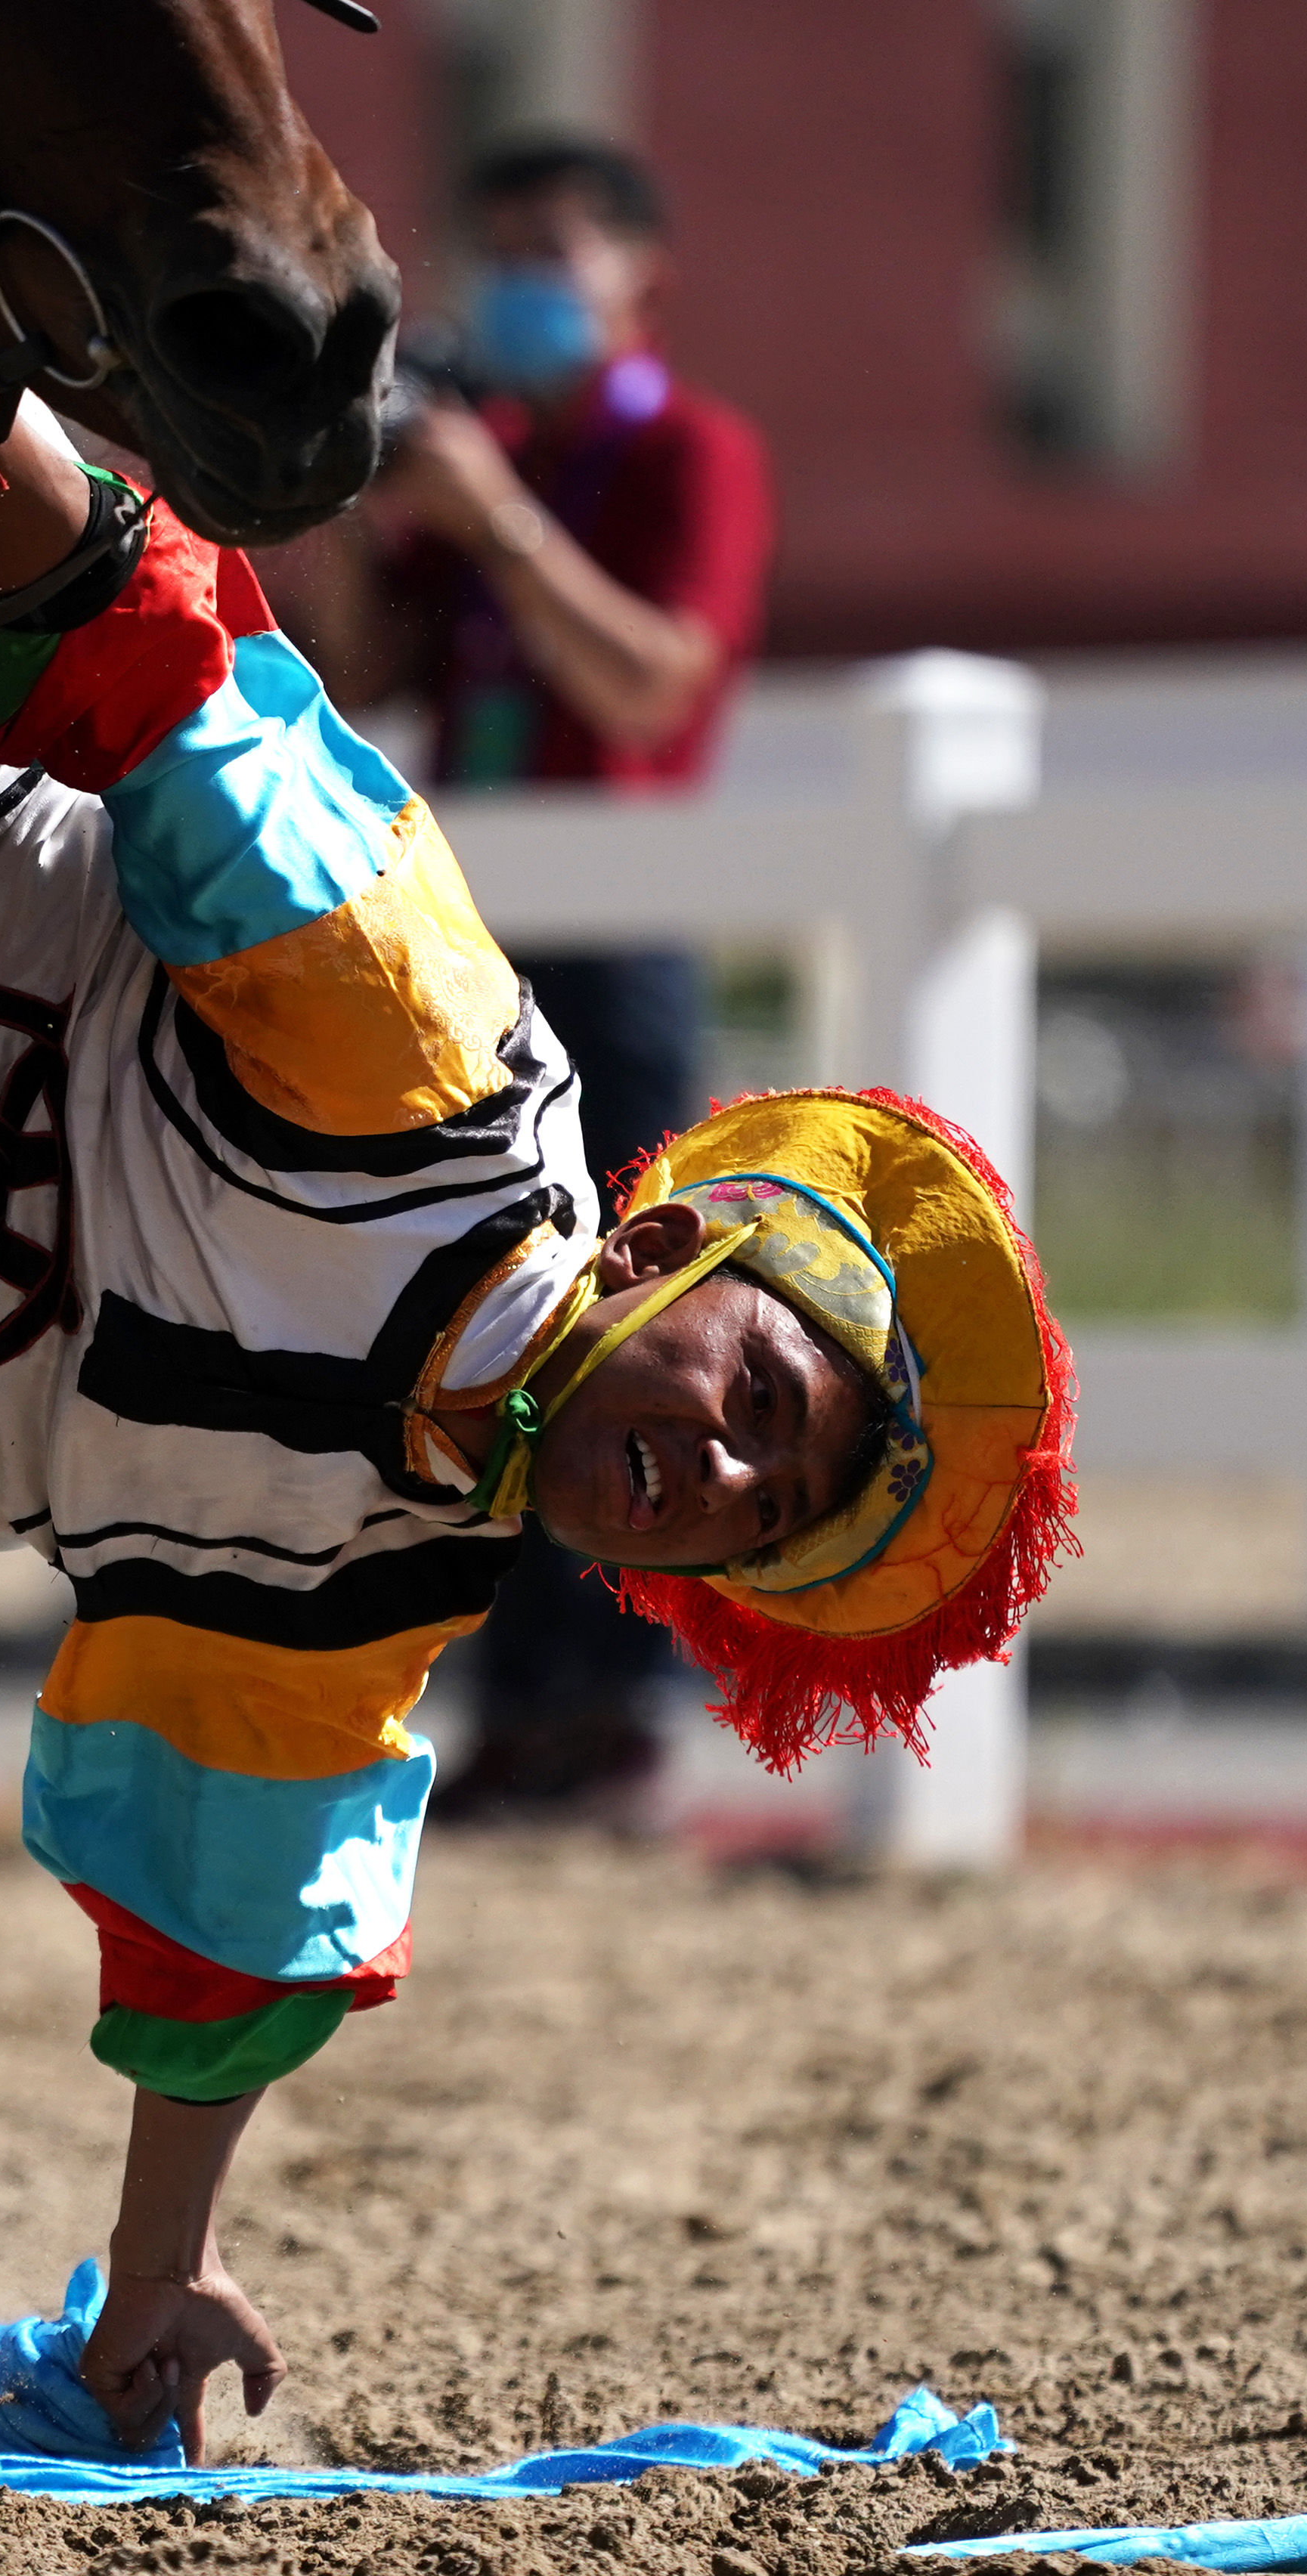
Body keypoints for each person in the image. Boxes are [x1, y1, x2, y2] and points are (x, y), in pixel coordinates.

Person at [0, 398, 1063, 2457]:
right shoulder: (414, 1057)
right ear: (687, 1241)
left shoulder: (371, 1597)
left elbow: (232, 1914)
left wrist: (158, 2275)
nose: (722, 1470)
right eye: (761, 1398)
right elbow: (164, 650)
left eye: (763, 1510)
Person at [368, 135, 779, 1834]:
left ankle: (607, 1710)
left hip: (618, 942)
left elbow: (643, 689)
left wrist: (500, 521)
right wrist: (362, 489)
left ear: (638, 282)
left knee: (631, 1330)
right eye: (500, 252)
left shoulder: (685, 453)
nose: (522, 285)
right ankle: (506, 1712)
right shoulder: (483, 461)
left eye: (557, 252)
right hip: (474, 935)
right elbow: (356, 658)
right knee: (479, 1318)